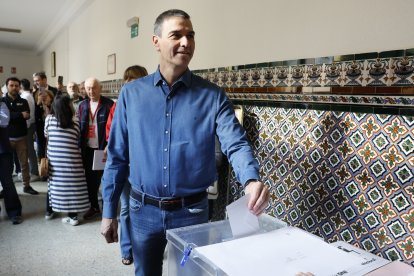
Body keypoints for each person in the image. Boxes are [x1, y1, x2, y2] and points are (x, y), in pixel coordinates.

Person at [100, 9, 269, 276]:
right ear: (156, 41)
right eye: (176, 35)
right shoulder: (131, 95)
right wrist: (109, 210)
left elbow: (235, 142)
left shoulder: (212, 96)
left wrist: (250, 180)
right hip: (142, 209)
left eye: (190, 35)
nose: (186, 42)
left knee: (190, 273)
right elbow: (117, 157)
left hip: (191, 212)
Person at [105, 65, 148, 265]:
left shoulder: (150, 104)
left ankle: (145, 248)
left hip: (142, 168)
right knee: (125, 210)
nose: (130, 85)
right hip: (124, 166)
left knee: (142, 209)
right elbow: (111, 133)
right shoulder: (118, 105)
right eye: (127, 81)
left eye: (135, 80)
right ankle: (127, 251)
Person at [44, 95, 90, 225]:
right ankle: (73, 216)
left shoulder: (49, 120)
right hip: (73, 161)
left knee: (53, 185)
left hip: (55, 161)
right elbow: (77, 139)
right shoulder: (75, 122)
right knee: (73, 187)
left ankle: (49, 211)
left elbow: (46, 137)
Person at [78, 78, 113, 220]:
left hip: (103, 149)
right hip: (88, 149)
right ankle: (94, 207)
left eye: (93, 88)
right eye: (88, 88)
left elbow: (113, 128)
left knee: (106, 180)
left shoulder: (109, 104)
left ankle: (107, 210)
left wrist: (109, 146)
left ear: (100, 88)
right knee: (90, 181)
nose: (91, 91)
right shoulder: (82, 105)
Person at [3, 77, 38, 195]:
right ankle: (6, 188)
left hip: (21, 138)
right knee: (6, 165)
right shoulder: (2, 101)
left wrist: (12, 115)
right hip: (6, 139)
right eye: (11, 85)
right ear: (7, 86)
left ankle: (26, 186)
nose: (14, 88)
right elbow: (4, 117)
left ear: (19, 87)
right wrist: (19, 115)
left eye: (16, 85)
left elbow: (27, 115)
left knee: (24, 164)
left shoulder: (23, 101)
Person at [0, 89, 23, 224]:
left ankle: (14, 212)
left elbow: (3, 121)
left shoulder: (2, 105)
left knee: (7, 182)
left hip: (3, 151)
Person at [20, 78, 40, 181]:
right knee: (29, 149)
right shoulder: (28, 95)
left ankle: (34, 172)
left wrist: (25, 127)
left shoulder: (26, 96)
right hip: (30, 125)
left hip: (28, 126)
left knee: (30, 149)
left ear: (21, 87)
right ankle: (31, 171)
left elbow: (28, 114)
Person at [34, 89, 54, 183]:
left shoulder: (54, 106)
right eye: (41, 96)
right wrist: (38, 104)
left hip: (52, 134)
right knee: (41, 152)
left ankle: (52, 171)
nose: (43, 97)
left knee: (51, 152)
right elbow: (34, 118)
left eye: (46, 96)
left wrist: (48, 105)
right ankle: (43, 171)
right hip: (41, 133)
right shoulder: (37, 107)